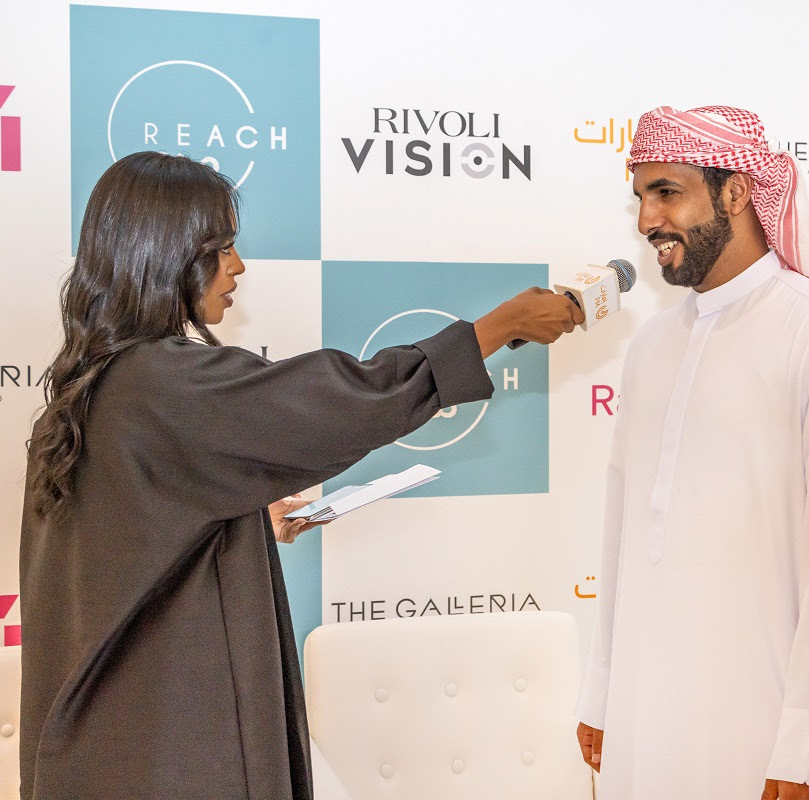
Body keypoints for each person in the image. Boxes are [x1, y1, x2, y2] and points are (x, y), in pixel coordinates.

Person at [18, 151, 583, 800]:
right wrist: (498, 327)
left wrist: (243, 527)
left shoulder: (89, 390)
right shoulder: (163, 384)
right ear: (166, 255)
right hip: (166, 758)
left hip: (99, 752)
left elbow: (125, 548)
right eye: (221, 248)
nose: (237, 266)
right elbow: (343, 401)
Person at [575, 105, 809, 800]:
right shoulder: (650, 344)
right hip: (641, 712)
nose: (647, 220)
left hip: (762, 723)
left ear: (738, 192)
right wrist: (601, 691)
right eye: (641, 196)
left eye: (667, 192)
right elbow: (622, 535)